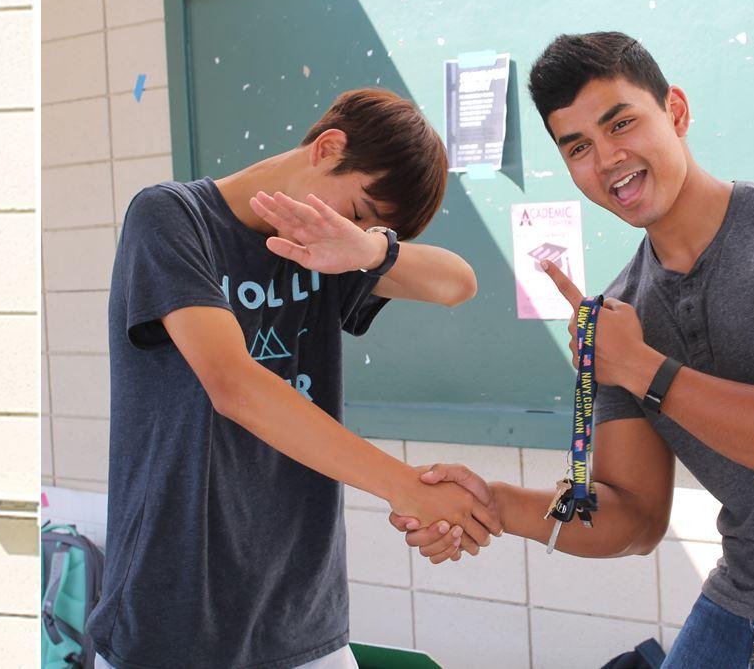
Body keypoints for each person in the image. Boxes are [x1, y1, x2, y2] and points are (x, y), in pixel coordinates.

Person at [399, 32, 754, 667]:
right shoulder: (617, 316)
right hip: (745, 589)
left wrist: (638, 367)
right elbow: (632, 518)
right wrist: (496, 504)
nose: (608, 158)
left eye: (622, 123)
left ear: (677, 112)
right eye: (578, 147)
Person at [90, 87, 501, 669]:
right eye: (360, 210)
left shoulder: (332, 246)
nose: (353, 228)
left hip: (304, 617)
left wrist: (364, 247)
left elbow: (458, 282)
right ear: (328, 147)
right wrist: (404, 486)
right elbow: (236, 387)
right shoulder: (172, 219)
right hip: (173, 610)